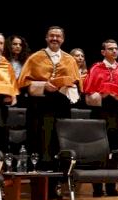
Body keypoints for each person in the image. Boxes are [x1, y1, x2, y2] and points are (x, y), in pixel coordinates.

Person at [17, 26, 80, 170]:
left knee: (61, 139)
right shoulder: (35, 58)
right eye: (51, 36)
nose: (54, 38)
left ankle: (61, 174)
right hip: (41, 106)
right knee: (42, 141)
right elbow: (23, 83)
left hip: (62, 106)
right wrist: (44, 85)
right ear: (46, 38)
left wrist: (68, 86)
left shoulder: (70, 60)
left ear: (63, 39)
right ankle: (42, 173)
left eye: (58, 36)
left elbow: (76, 81)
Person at [83, 39, 118, 197]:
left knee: (115, 149)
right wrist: (101, 95)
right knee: (97, 150)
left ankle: (111, 186)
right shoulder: (96, 68)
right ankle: (97, 188)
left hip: (117, 113)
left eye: (116, 48)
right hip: (99, 113)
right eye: (110, 49)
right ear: (103, 52)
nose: (114, 51)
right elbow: (88, 96)